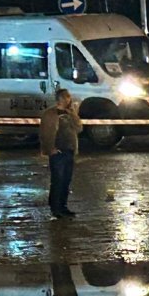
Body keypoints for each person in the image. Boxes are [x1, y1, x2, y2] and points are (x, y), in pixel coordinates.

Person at [39, 89, 82, 218]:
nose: (69, 100)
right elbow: (45, 133)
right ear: (61, 99)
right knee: (58, 180)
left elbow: (79, 128)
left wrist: (73, 113)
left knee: (66, 181)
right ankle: (56, 208)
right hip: (58, 152)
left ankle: (63, 207)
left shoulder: (70, 113)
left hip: (69, 150)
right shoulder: (50, 114)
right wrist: (50, 148)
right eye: (66, 97)